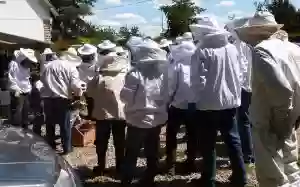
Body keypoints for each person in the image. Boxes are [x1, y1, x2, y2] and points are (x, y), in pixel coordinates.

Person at [235, 11, 300, 187]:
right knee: (291, 169)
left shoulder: (261, 51)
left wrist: (280, 120)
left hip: (270, 121)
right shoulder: (293, 48)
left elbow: (282, 89)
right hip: (290, 119)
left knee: (273, 175)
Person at [190, 15, 246, 187]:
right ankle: (240, 176)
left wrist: (197, 98)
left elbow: (196, 81)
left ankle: (209, 179)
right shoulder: (232, 49)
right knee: (233, 140)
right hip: (229, 102)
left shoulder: (200, 51)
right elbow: (241, 73)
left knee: (208, 144)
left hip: (207, 105)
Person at [120, 37, 169, 186]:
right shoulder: (163, 74)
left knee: (132, 152)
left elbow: (125, 97)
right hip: (156, 119)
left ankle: (126, 180)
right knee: (152, 151)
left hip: (137, 120)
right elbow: (167, 95)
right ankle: (150, 178)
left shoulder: (134, 74)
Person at [88, 51, 128, 176]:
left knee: (101, 142)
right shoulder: (124, 76)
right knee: (120, 142)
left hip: (102, 115)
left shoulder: (98, 77)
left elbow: (90, 93)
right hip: (120, 114)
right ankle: (120, 167)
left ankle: (101, 167)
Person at [226, 19, 255, 173]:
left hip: (242, 88)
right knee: (248, 122)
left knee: (243, 122)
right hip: (249, 87)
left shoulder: (238, 46)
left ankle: (248, 156)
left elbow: (241, 70)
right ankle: (251, 153)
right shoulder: (247, 45)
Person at [41, 48, 83, 155]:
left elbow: (43, 81)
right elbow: (75, 85)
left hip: (48, 99)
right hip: (63, 100)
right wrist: (78, 97)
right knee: (65, 126)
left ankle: (50, 147)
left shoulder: (48, 66)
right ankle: (67, 149)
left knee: (50, 125)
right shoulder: (71, 67)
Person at [165, 40, 197, 175]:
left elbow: (172, 86)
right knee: (192, 134)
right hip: (195, 105)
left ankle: (170, 165)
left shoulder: (177, 66)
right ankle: (191, 163)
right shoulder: (198, 64)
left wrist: (168, 101)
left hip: (178, 105)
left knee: (172, 134)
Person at [8, 48, 37, 129]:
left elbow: (26, 79)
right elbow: (11, 78)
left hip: (26, 92)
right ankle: (16, 130)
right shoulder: (13, 64)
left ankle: (25, 129)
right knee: (18, 112)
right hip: (17, 92)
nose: (30, 63)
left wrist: (29, 89)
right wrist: (16, 89)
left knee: (26, 111)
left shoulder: (26, 67)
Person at [77, 44, 99, 119]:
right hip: (92, 89)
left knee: (87, 105)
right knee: (92, 106)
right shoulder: (96, 66)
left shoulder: (78, 65)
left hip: (83, 89)